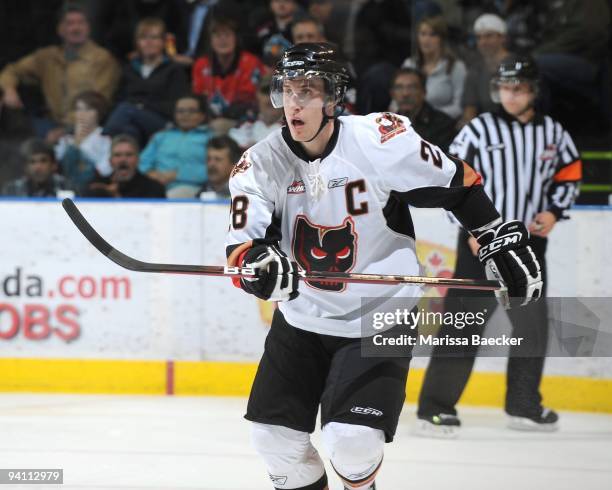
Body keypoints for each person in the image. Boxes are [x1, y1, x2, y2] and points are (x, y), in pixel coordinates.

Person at [225, 43, 542, 490]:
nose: (296, 102)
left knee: (352, 442)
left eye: (309, 91)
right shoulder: (258, 164)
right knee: (273, 440)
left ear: (333, 98)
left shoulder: (377, 140)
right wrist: (259, 263)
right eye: (288, 90)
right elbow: (243, 248)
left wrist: (494, 235)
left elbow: (459, 184)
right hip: (301, 320)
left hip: (381, 316)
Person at [416, 55, 582, 437]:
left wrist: (555, 211)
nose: (511, 94)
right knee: (463, 326)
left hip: (528, 247)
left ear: (532, 91)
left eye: (519, 88)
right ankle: (434, 409)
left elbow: (569, 173)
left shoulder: (553, 133)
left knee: (532, 328)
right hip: (481, 245)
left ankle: (524, 406)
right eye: (506, 87)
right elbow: (449, 179)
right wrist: (471, 229)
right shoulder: (478, 130)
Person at [0, 3, 120, 138]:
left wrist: (66, 130)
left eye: (81, 23)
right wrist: (9, 90)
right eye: (70, 24)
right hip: (49, 124)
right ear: (60, 29)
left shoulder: (102, 59)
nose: (76, 28)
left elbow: (99, 103)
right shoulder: (47, 56)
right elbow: (11, 70)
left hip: (85, 126)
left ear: (88, 28)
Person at [104, 17, 190, 146]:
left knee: (127, 109)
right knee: (130, 132)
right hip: (132, 120)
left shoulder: (174, 70)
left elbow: (176, 105)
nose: (149, 42)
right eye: (144, 38)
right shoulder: (129, 69)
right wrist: (137, 108)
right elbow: (118, 99)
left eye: (154, 38)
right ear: (137, 42)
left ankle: (102, 139)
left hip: (164, 123)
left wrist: (142, 106)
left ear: (163, 42)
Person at [192, 16, 266, 128]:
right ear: (210, 41)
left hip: (244, 120)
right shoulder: (201, 64)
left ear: (236, 38)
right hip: (208, 119)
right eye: (217, 36)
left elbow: (248, 98)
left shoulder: (250, 62)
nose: (223, 40)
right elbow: (199, 96)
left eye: (227, 35)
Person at [139, 94, 213, 198]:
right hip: (154, 184)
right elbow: (141, 163)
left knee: (170, 197)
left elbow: (215, 169)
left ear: (202, 116)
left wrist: (178, 175)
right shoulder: (161, 137)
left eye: (191, 111)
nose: (185, 115)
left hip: (191, 187)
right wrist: (152, 174)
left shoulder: (210, 139)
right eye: (180, 111)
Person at [402, 15, 466, 119]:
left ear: (442, 39)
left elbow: (459, 107)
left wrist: (430, 116)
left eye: (432, 34)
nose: (426, 39)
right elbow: (397, 100)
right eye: (423, 34)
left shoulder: (456, 67)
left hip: (442, 126)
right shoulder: (409, 64)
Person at [458, 14, 510, 128]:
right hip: (486, 130)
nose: (483, 42)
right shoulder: (474, 71)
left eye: (488, 36)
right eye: (479, 37)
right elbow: (469, 111)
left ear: (503, 38)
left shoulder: (516, 65)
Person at [55, 91, 112, 192]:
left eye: (88, 109)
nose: (82, 114)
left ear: (99, 112)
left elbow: (104, 171)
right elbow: (58, 167)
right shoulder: (66, 140)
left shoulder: (106, 139)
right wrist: (76, 143)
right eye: (78, 109)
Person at [390, 67, 456, 151]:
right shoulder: (387, 126)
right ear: (392, 94)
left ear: (423, 92)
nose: (405, 93)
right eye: (399, 87)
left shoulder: (444, 125)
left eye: (412, 87)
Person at [85, 134, 165, 198]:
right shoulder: (97, 186)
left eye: (129, 155)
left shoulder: (154, 189)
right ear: (110, 161)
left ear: (138, 160)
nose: (123, 159)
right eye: (117, 155)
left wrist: (116, 197)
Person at [2, 139, 77, 197]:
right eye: (32, 162)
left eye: (43, 161)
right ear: (25, 167)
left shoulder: (67, 187)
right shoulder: (12, 190)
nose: (38, 167)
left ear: (54, 165)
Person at [228, 75, 283, 149]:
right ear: (257, 95)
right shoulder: (243, 126)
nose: (270, 97)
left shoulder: (293, 130)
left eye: (276, 92)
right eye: (266, 91)